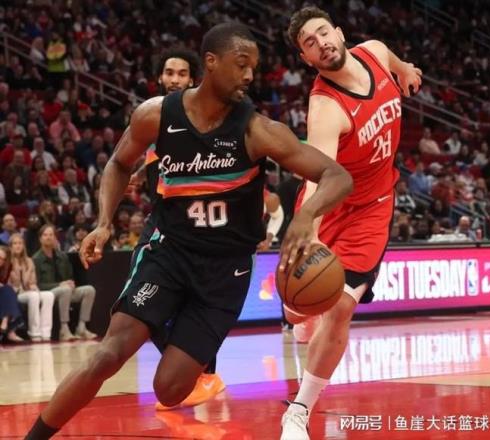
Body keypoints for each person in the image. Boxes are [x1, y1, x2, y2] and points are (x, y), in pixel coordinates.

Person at [25, 22, 352, 439]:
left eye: (253, 66)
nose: (250, 75)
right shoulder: (157, 115)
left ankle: (170, 322)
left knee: (170, 388)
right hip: (168, 252)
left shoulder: (257, 130)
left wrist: (305, 216)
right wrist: (104, 222)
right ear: (210, 63)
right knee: (109, 354)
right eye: (241, 64)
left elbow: (337, 176)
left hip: (225, 272)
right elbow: (119, 163)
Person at [281, 7, 422, 439]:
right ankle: (301, 310)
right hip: (331, 205)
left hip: (372, 209)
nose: (321, 43)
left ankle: (299, 411)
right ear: (307, 59)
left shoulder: (375, 51)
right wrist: (311, 238)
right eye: (310, 43)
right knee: (300, 303)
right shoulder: (325, 108)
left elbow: (394, 61)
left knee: (341, 307)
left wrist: (406, 69)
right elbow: (318, 178)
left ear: (339, 33)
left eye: (323, 33)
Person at [129, 47, 229, 410]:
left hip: (194, 222)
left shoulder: (204, 114)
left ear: (193, 79)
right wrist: (139, 174)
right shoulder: (152, 114)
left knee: (167, 301)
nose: (174, 79)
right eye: (169, 72)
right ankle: (200, 376)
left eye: (181, 73)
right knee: (145, 300)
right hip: (165, 218)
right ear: (159, 77)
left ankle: (202, 376)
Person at [32, 225, 97, 341]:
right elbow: (37, 285)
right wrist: (59, 285)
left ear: (55, 238)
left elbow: (69, 276)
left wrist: (71, 283)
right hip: (47, 292)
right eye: (45, 235)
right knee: (65, 290)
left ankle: (81, 327)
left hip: (65, 290)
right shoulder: (36, 259)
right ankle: (64, 328)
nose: (48, 237)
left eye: (51, 235)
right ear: (40, 238)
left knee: (89, 290)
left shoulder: (62, 256)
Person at [8, 233, 55, 342]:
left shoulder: (29, 261)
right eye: (15, 243)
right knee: (34, 296)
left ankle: (46, 332)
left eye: (20, 243)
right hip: (15, 293)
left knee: (49, 295)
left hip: (28, 291)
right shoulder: (8, 262)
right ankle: (34, 332)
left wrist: (33, 286)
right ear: (10, 246)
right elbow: (8, 282)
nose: (18, 246)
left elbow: (33, 281)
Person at [0, 245, 25, 344]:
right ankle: (10, 330)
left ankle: (5, 322)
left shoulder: (6, 268)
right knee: (9, 290)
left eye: (3, 259)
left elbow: (16, 283)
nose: (0, 261)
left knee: (9, 290)